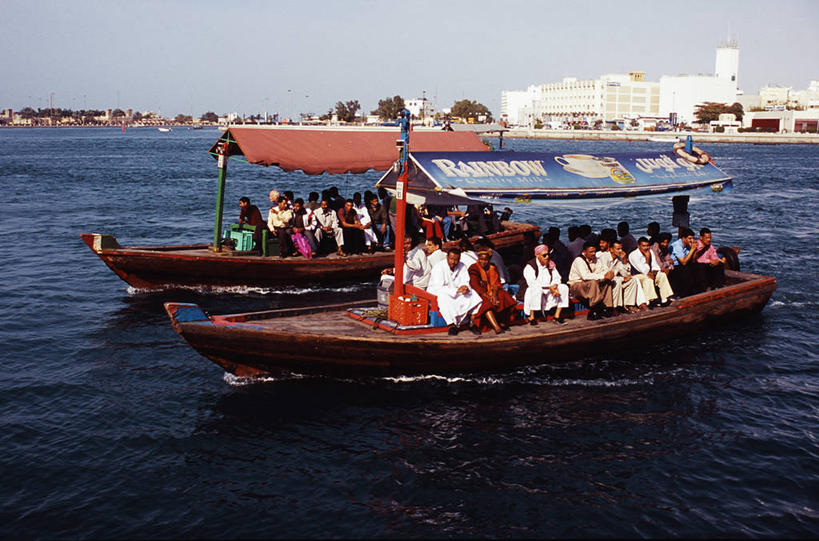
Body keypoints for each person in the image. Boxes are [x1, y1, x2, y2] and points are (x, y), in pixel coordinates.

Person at [427, 248, 483, 336]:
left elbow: (465, 280)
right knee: (443, 298)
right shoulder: (439, 267)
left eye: (456, 260)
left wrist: (465, 287)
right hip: (441, 292)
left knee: (473, 295)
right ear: (447, 257)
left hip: (458, 292)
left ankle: (472, 322)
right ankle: (452, 325)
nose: (453, 262)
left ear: (459, 259)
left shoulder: (462, 266)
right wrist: (456, 290)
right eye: (451, 259)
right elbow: (438, 287)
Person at [468, 248, 518, 334]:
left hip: (491, 291)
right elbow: (475, 286)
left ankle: (502, 322)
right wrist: (489, 297)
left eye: (486, 260)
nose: (483, 262)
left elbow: (496, 283)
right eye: (481, 259)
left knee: (503, 295)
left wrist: (494, 296)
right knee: (486, 303)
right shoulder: (473, 268)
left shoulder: (492, 267)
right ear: (478, 259)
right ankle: (496, 327)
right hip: (479, 293)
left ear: (489, 260)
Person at [519, 244, 569, 325]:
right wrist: (550, 287)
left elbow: (557, 277)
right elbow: (532, 284)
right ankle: (531, 317)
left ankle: (557, 316)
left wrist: (554, 286)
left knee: (564, 287)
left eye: (548, 254)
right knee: (537, 289)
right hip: (533, 290)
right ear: (537, 256)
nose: (547, 257)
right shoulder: (530, 266)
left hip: (549, 289)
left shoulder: (550, 264)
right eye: (544, 255)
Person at [568, 240, 614, 320]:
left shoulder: (596, 259)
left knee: (607, 282)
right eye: (591, 252)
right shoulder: (579, 260)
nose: (593, 253)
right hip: (576, 285)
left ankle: (607, 307)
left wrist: (607, 274)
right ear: (584, 252)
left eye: (594, 251)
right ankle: (594, 308)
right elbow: (585, 276)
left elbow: (603, 270)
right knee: (593, 282)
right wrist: (602, 276)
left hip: (588, 284)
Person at [599, 238, 646, 313]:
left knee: (632, 280)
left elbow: (626, 274)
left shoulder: (619, 259)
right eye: (618, 249)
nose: (620, 251)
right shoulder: (604, 258)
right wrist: (622, 279)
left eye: (621, 249)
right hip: (605, 282)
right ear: (611, 249)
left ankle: (629, 305)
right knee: (617, 281)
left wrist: (624, 261)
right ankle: (614, 307)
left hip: (615, 280)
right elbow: (607, 274)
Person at [629, 237, 675, 306]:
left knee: (662, 275)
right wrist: (648, 258)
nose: (646, 248)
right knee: (648, 279)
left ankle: (664, 299)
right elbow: (643, 270)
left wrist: (655, 271)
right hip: (637, 275)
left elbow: (655, 265)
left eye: (647, 245)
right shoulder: (633, 255)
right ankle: (649, 301)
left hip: (649, 273)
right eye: (643, 246)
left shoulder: (650, 251)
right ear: (639, 246)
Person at [669, 228, 700, 296]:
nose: (691, 240)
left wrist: (695, 250)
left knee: (698, 267)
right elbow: (683, 262)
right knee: (686, 270)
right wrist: (692, 249)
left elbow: (693, 259)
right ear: (684, 238)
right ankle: (684, 293)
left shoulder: (688, 245)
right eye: (689, 238)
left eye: (692, 238)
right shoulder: (677, 246)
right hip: (674, 267)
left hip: (683, 265)